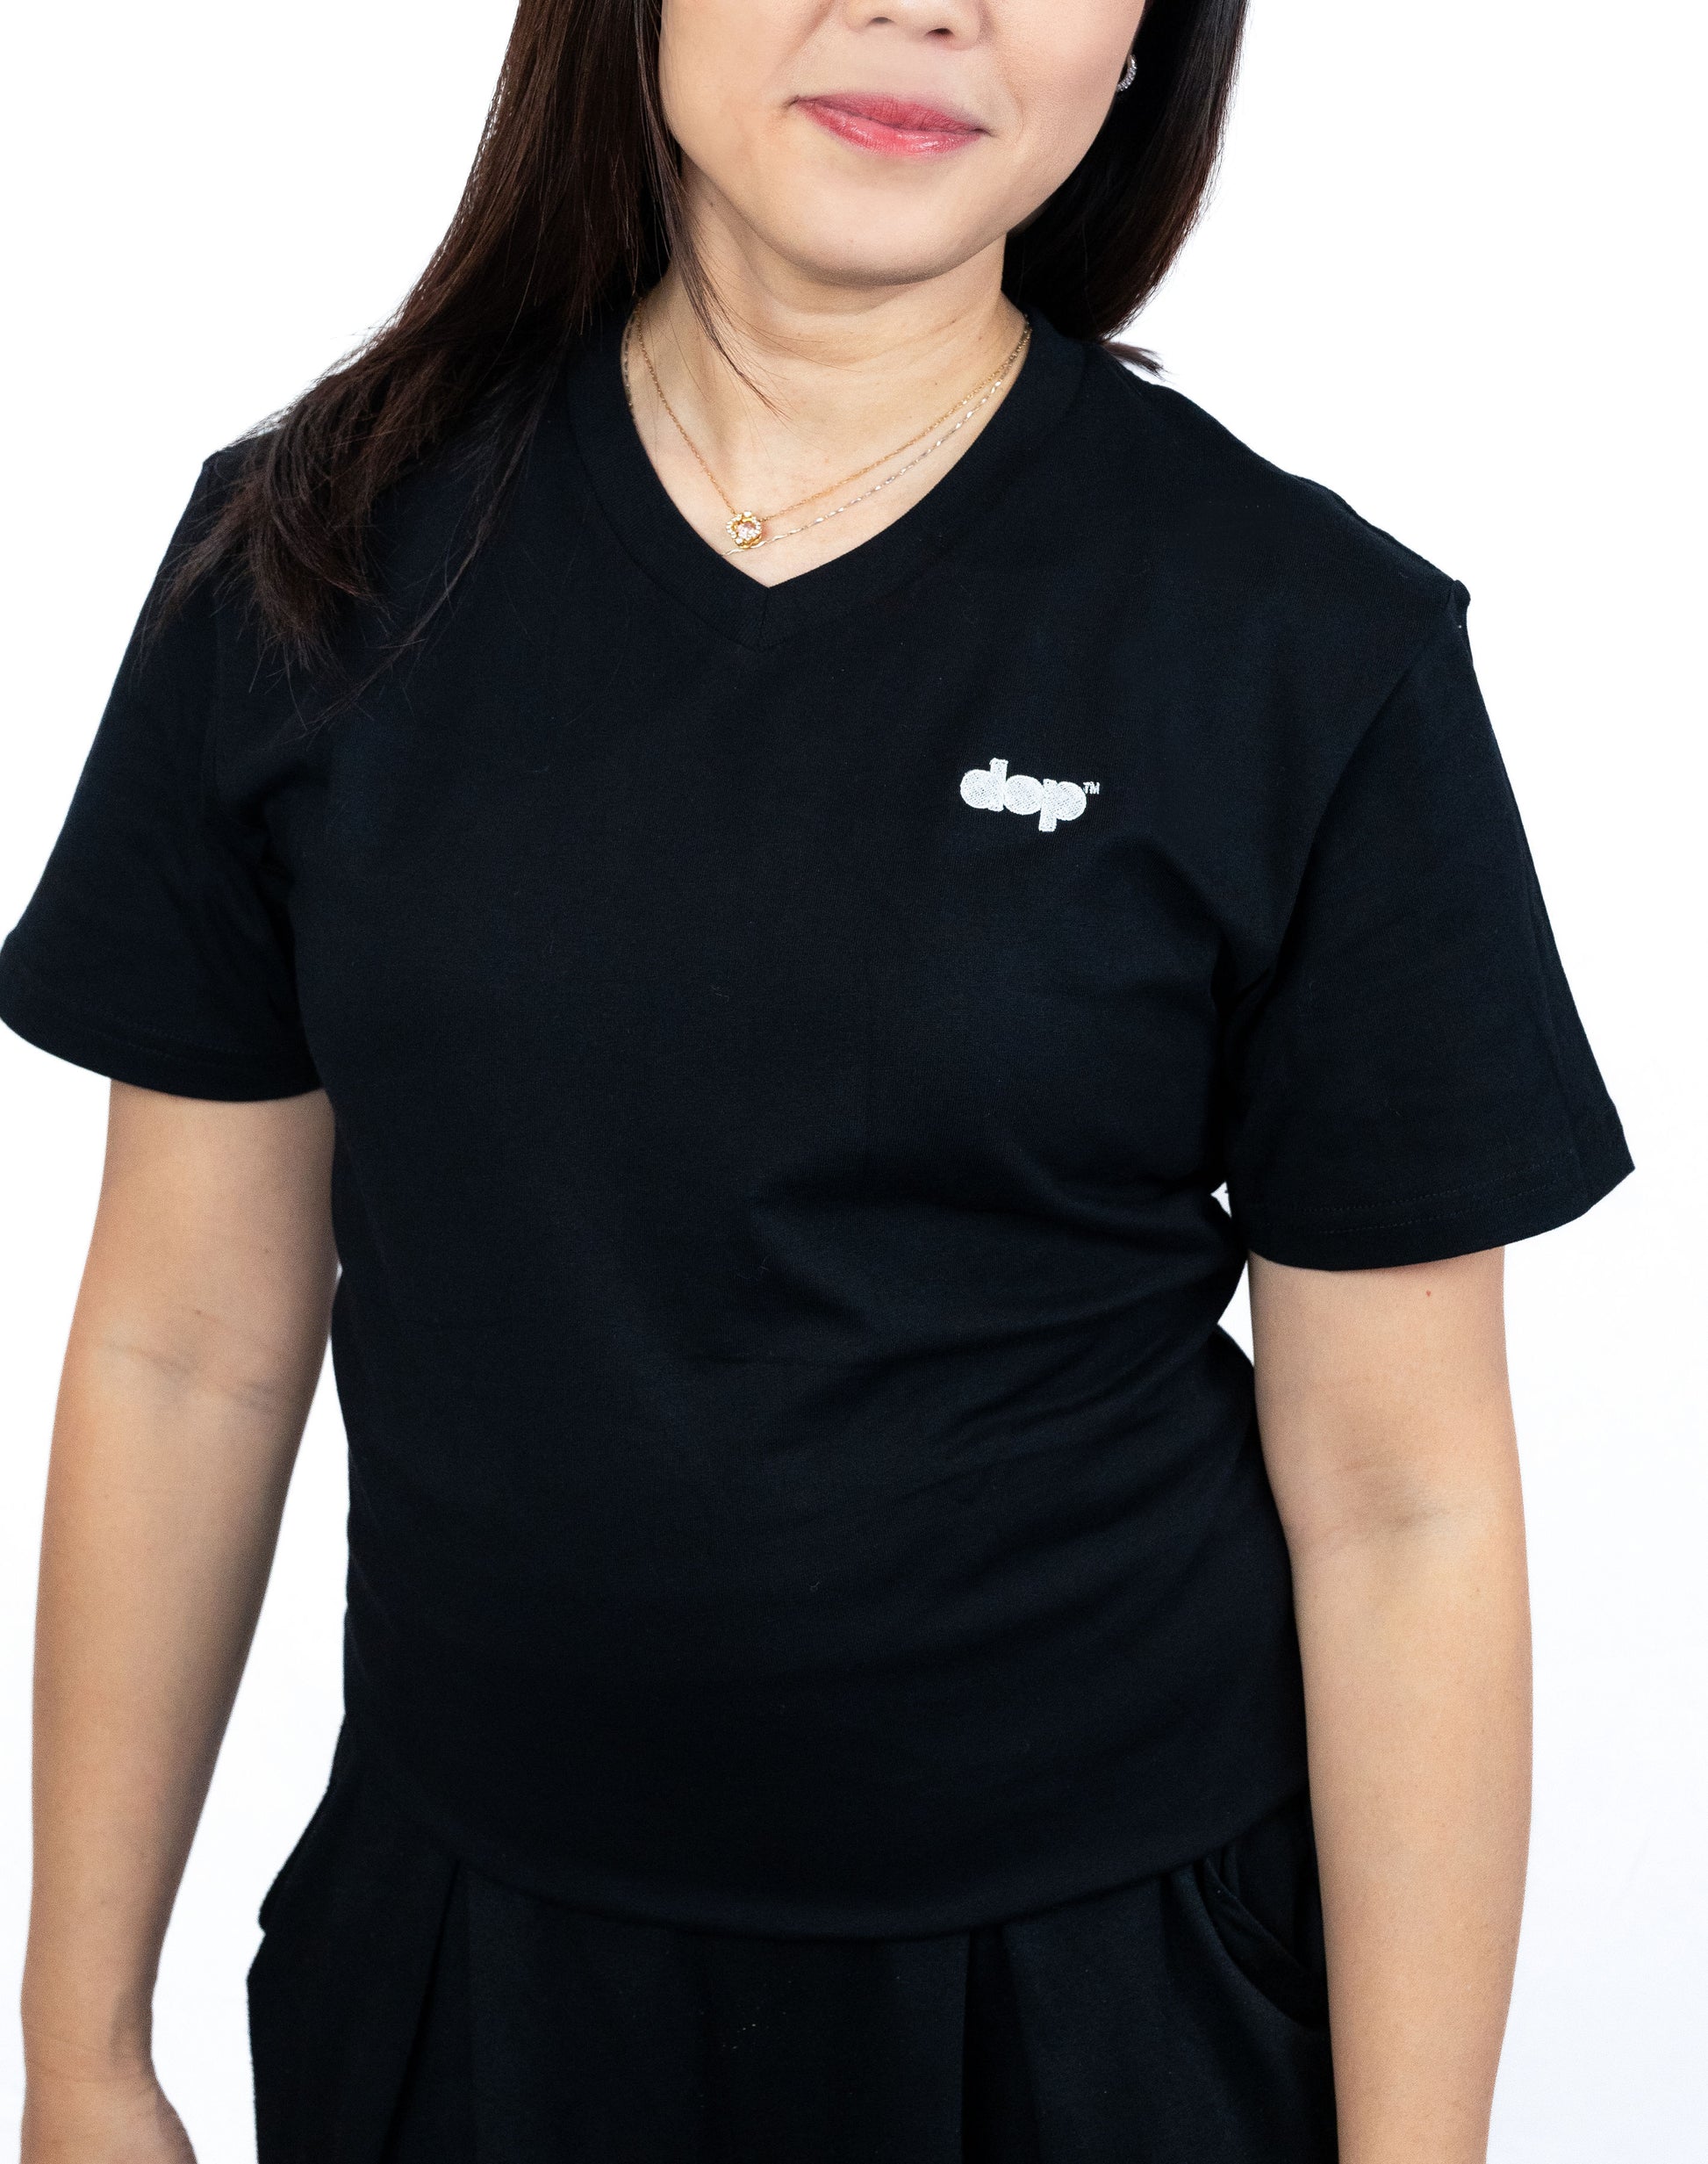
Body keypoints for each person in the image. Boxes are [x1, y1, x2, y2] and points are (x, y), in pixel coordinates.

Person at [4, 0, 1632, 2158]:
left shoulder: (1302, 642)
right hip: (469, 1970)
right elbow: (185, 1347)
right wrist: (78, 2048)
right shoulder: (313, 552)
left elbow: (1403, 1494)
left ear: (1143, 41)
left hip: (1104, 1997)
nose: (925, 7)